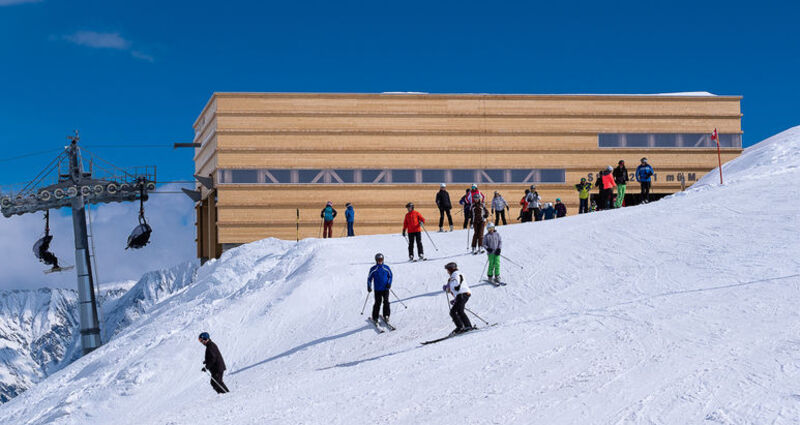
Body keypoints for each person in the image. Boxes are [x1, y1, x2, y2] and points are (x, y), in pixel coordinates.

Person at [442, 262, 473, 334]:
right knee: (459, 311)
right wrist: (456, 299)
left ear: (451, 269)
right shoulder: (457, 274)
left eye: (448, 270)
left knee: (453, 312)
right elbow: (459, 286)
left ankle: (461, 327)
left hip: (462, 294)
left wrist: (448, 287)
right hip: (463, 294)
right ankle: (467, 326)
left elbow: (456, 284)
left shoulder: (455, 275)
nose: (447, 272)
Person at [367, 253, 393, 324]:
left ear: (383, 260)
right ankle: (375, 317)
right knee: (378, 303)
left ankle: (386, 315)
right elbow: (369, 278)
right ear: (376, 260)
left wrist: (389, 283)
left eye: (381, 259)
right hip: (377, 289)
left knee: (386, 301)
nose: (380, 261)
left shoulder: (386, 267)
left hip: (385, 289)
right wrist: (369, 286)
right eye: (378, 260)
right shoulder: (373, 269)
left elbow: (390, 276)